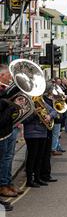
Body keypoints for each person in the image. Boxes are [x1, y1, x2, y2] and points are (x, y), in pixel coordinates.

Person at [0, 65, 24, 198]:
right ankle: (3, 185)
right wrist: (13, 106)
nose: (10, 78)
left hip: (9, 130)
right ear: (1, 76)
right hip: (2, 133)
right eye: (8, 75)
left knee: (9, 158)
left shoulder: (4, 90)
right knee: (4, 160)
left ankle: (8, 183)